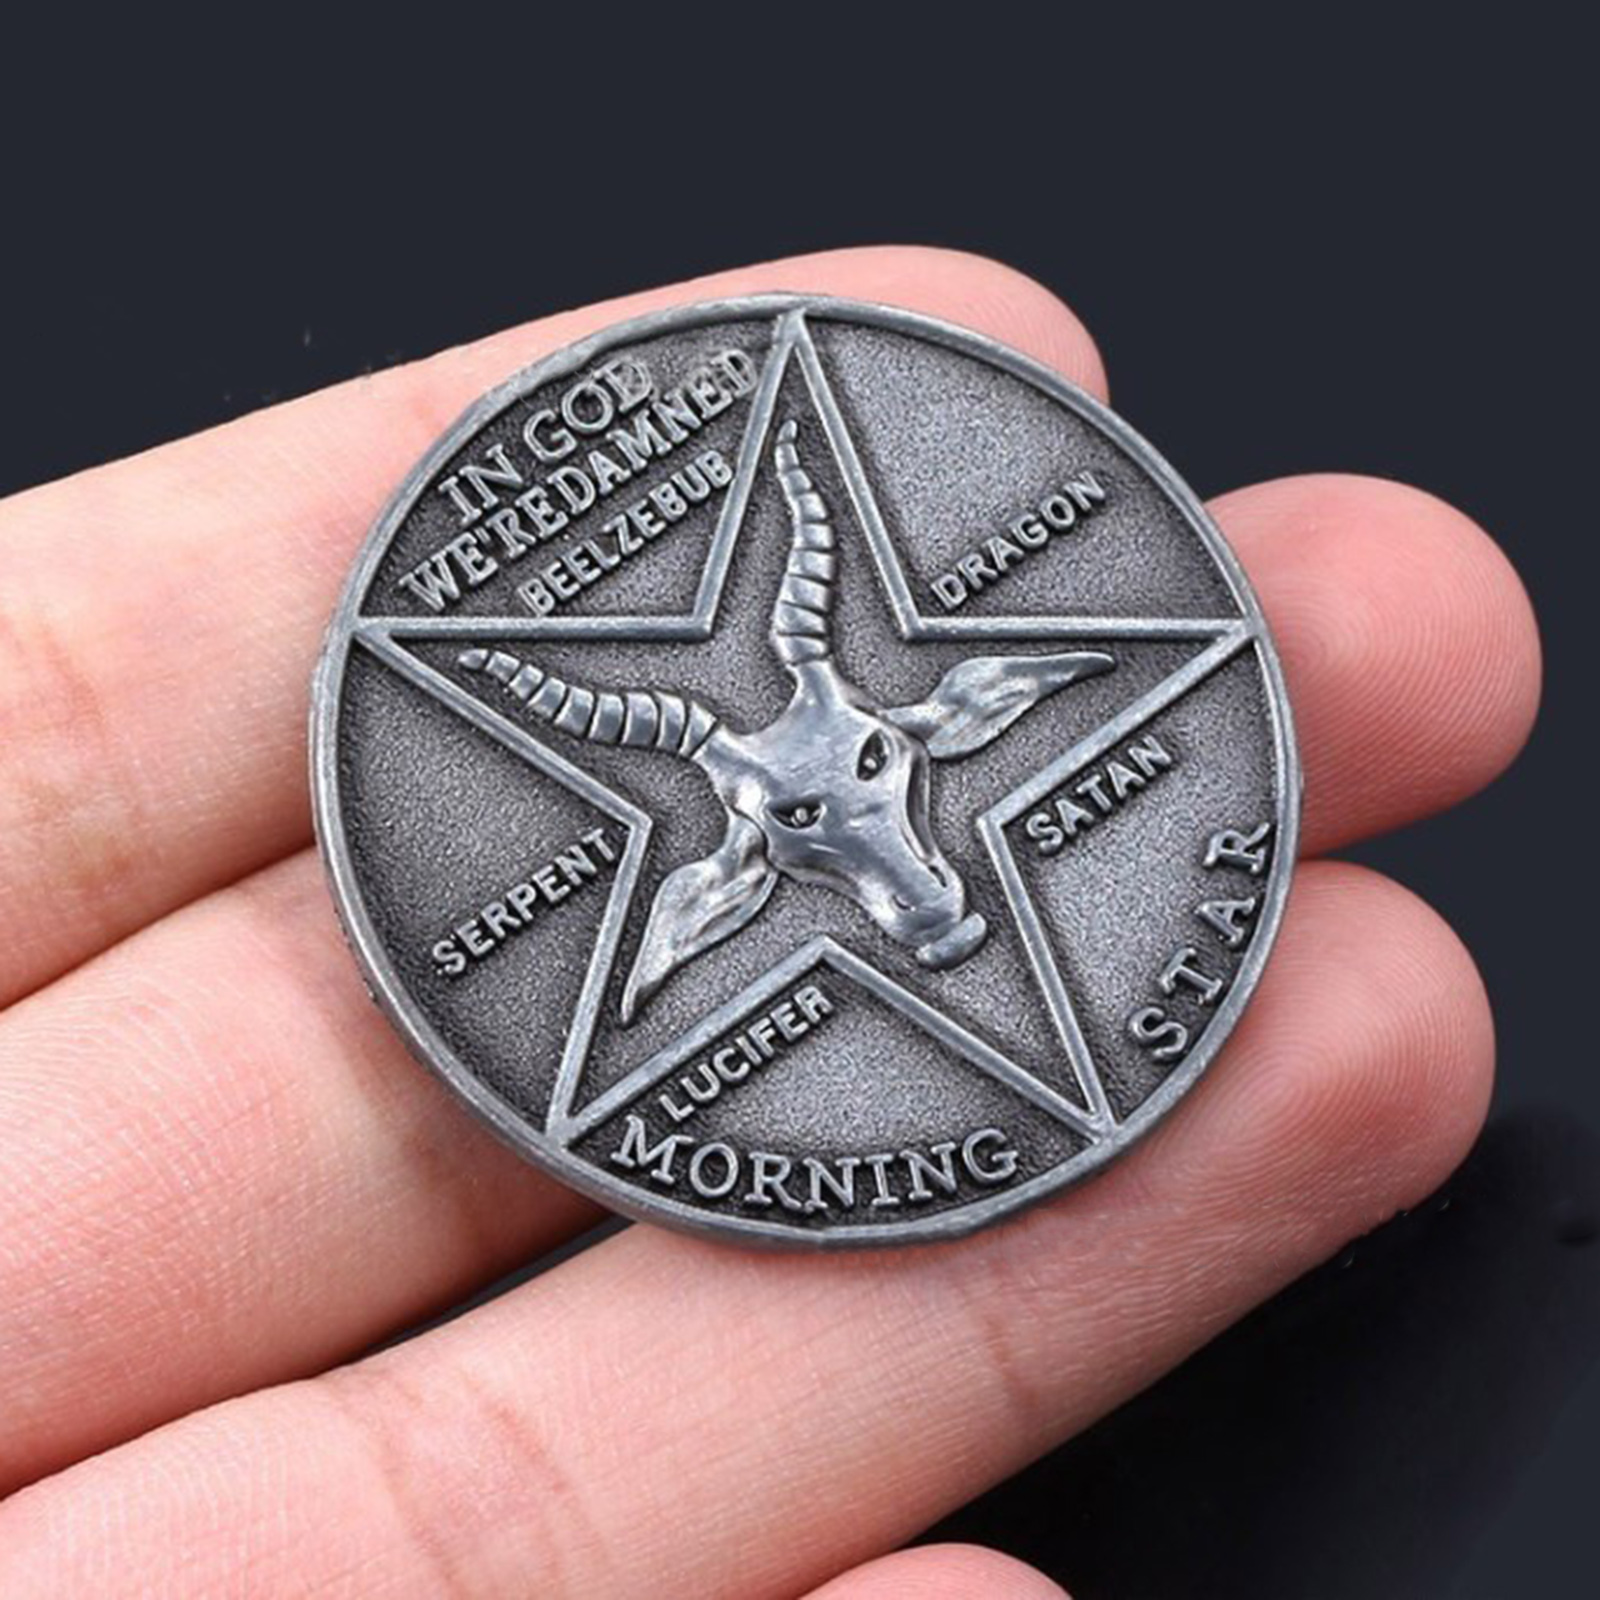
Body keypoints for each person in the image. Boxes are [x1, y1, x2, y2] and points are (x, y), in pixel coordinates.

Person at [0, 248, 1541, 1598]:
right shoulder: (718, 876)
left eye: (876, 772)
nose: (892, 860)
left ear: (943, 720)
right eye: (799, 826)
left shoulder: (922, 720)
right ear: (734, 870)